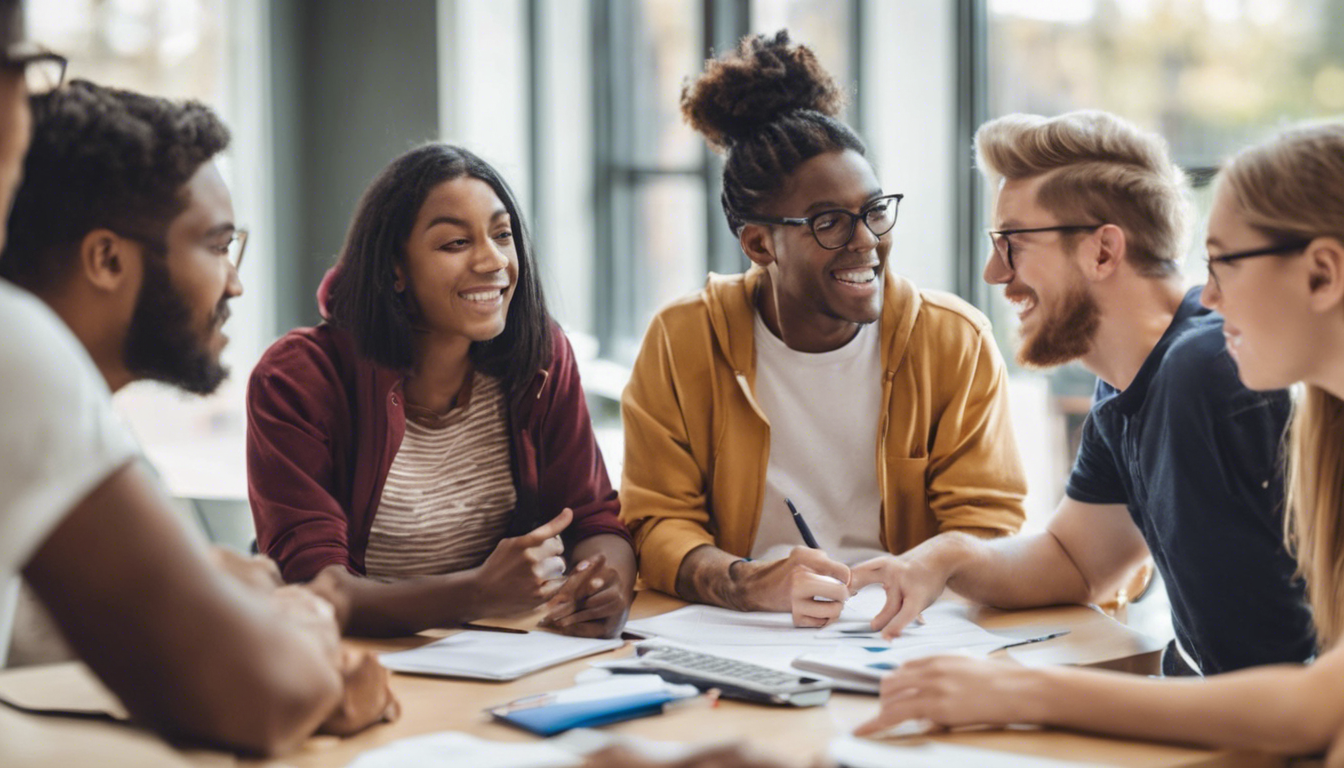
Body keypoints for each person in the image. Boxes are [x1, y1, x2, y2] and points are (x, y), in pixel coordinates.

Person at [857, 120, 1344, 766]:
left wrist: (1021, 692)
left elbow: (1305, 703)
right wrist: (948, 555)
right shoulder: (1135, 387)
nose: (1212, 296)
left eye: (1012, 243)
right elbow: (1079, 559)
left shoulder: (1205, 370)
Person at [0, 13, 395, 759]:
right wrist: (305, 629)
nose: (238, 284)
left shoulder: (69, 416)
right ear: (107, 261)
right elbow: (259, 693)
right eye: (219, 246)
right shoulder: (17, 353)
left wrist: (219, 588)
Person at [620, 30, 1026, 627]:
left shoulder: (953, 342)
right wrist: (746, 582)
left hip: (905, 630)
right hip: (741, 628)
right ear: (760, 243)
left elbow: (988, 524)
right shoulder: (683, 340)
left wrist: (920, 573)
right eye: (829, 222)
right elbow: (655, 522)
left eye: (874, 211)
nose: (866, 241)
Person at [247, 143, 636, 638]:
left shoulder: (540, 355)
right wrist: (477, 591)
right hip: (357, 660)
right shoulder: (297, 380)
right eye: (455, 243)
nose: (493, 260)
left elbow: (593, 519)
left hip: (502, 652)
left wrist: (607, 587)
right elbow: (318, 588)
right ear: (395, 269)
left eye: (502, 234)